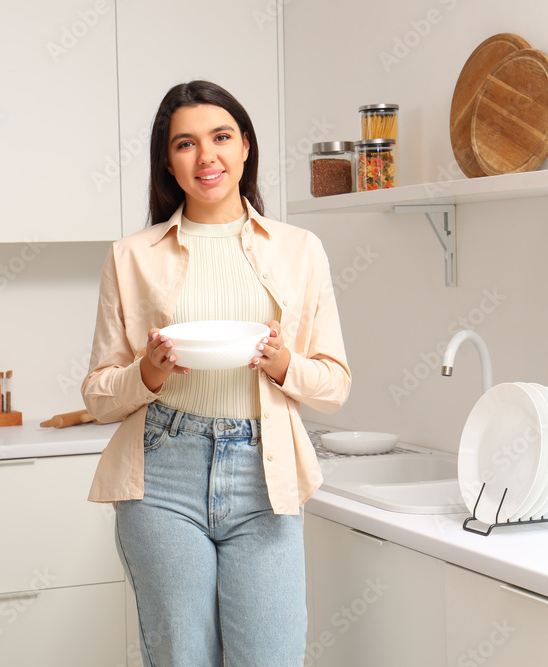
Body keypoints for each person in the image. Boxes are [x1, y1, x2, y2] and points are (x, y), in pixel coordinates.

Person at [82, 80, 350, 667]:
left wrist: (283, 365)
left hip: (266, 472)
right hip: (163, 473)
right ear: (168, 162)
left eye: (221, 137)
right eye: (185, 143)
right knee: (185, 658)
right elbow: (100, 395)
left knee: (270, 658)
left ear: (246, 146)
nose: (207, 157)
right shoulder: (131, 256)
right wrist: (147, 374)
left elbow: (334, 384)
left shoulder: (301, 249)